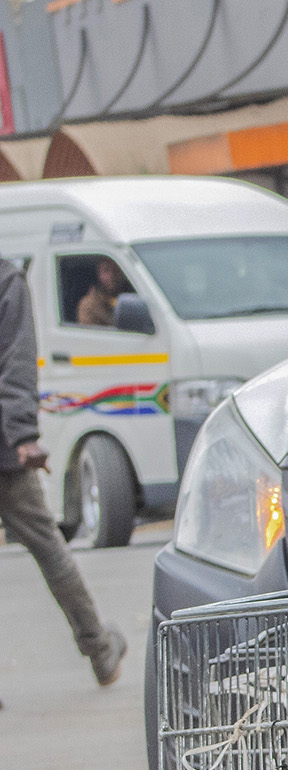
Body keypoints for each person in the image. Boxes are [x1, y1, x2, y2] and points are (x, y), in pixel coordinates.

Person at [0, 258, 127, 695]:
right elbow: (16, 362)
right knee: (49, 549)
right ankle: (99, 650)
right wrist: (21, 434)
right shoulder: (5, 277)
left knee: (48, 548)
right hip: (5, 452)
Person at [75, 258, 125, 327]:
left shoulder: (129, 296)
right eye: (106, 271)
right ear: (99, 275)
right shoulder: (88, 305)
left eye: (116, 271)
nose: (111, 276)